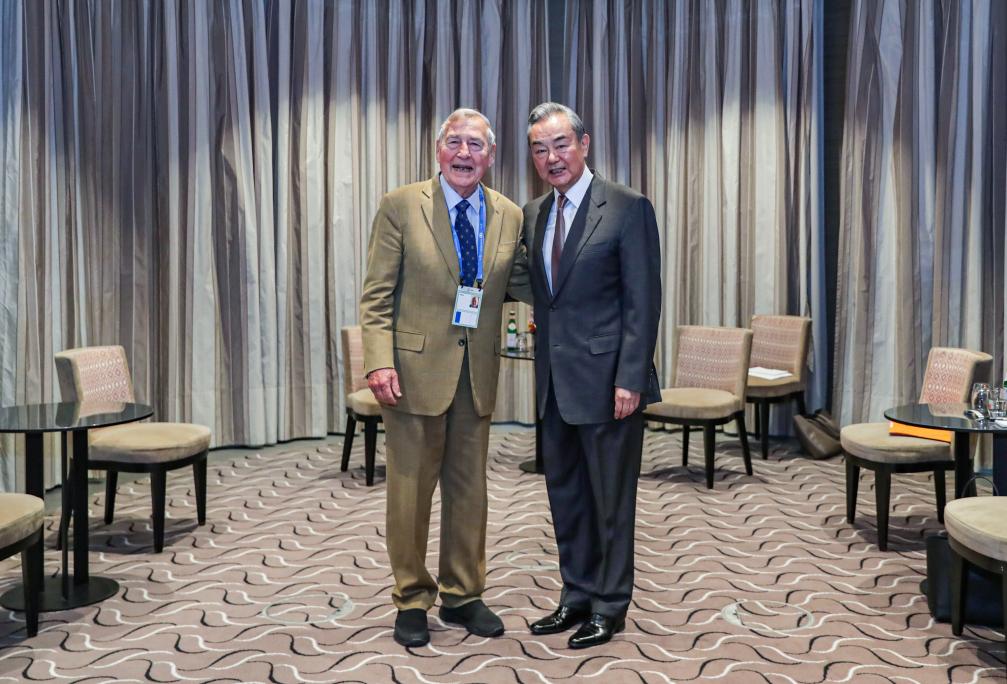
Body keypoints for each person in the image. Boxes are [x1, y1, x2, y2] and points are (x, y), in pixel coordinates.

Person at [359, 108, 530, 647]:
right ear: (438, 150)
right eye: (454, 142)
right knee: (409, 494)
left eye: (476, 145)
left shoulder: (509, 214)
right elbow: (376, 295)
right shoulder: (401, 205)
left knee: (469, 491)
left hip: (475, 374)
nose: (464, 153)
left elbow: (524, 283)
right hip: (412, 373)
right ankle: (411, 597)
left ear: (491, 155)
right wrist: (378, 360)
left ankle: (463, 594)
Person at [521, 102, 662, 649]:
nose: (551, 157)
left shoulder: (627, 207)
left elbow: (643, 301)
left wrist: (630, 378)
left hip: (609, 386)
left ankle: (609, 604)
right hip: (555, 385)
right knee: (567, 497)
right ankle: (575, 595)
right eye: (540, 149)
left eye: (560, 144)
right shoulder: (535, 213)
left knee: (610, 502)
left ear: (584, 144)